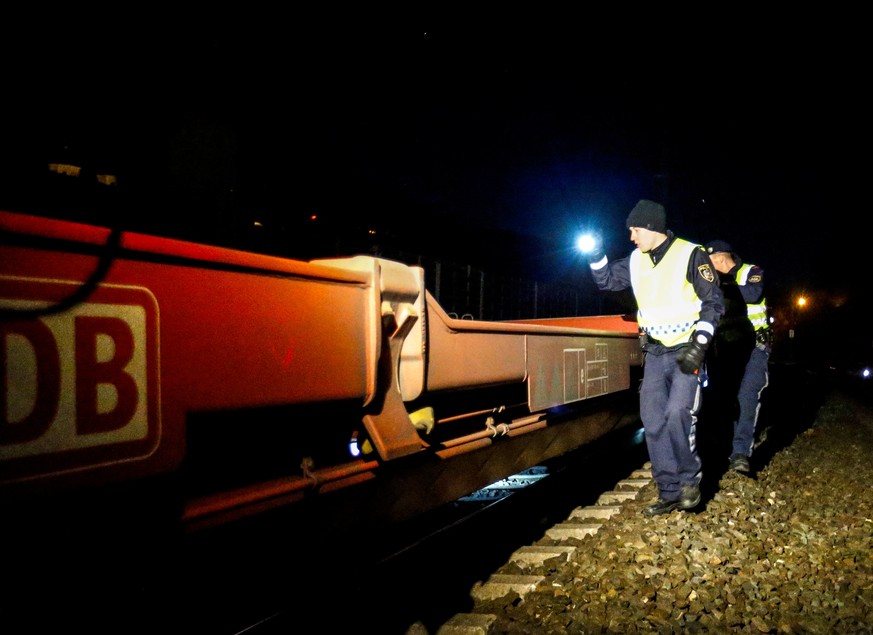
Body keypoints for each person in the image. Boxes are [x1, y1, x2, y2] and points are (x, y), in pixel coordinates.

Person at [587, 199, 724, 516]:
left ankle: (690, 482)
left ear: (649, 227)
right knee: (652, 420)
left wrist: (700, 343)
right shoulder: (636, 259)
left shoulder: (691, 254)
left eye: (634, 230)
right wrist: (595, 256)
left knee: (678, 413)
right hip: (655, 352)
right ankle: (669, 492)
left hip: (687, 351)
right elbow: (607, 280)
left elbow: (713, 301)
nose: (631, 237)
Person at [704, 240, 771, 474]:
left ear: (720, 259)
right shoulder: (711, 281)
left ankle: (740, 453)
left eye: (708, 262)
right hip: (725, 345)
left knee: (747, 396)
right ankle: (722, 448)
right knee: (722, 398)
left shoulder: (751, 272)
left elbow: (753, 295)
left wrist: (719, 288)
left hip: (754, 346)